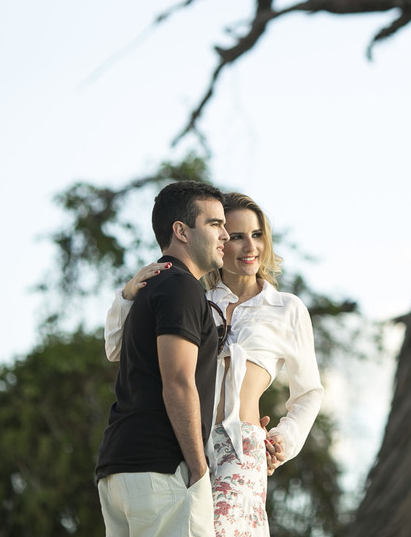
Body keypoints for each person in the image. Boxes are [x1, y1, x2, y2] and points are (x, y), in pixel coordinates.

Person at [106, 192, 323, 537]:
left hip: (240, 447)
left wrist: (285, 439)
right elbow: (118, 348)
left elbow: (309, 392)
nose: (249, 247)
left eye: (256, 235)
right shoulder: (192, 295)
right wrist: (127, 294)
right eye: (235, 236)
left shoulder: (286, 309)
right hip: (186, 441)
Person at [95, 180, 230, 537]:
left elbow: (117, 350)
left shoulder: (153, 285)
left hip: (120, 470)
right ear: (181, 231)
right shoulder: (180, 286)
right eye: (215, 223)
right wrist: (199, 469)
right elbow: (178, 382)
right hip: (162, 469)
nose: (226, 235)